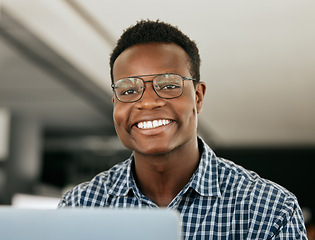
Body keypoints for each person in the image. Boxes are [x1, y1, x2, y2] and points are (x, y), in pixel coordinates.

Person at [59, 20, 307, 239]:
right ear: (115, 104)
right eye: (128, 91)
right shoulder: (80, 207)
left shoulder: (271, 211)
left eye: (168, 85)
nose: (147, 102)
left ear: (198, 97)